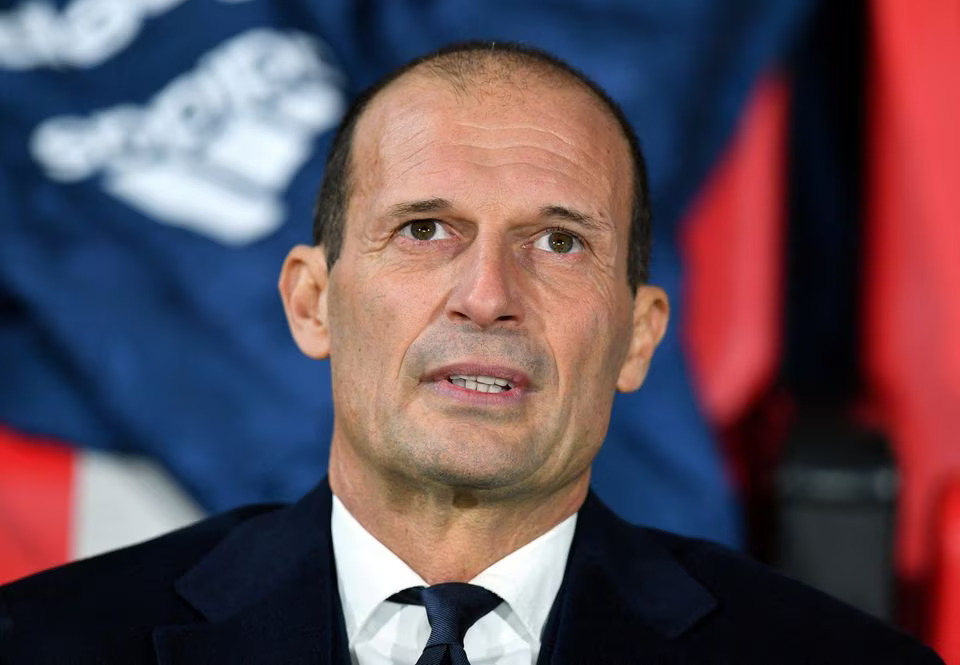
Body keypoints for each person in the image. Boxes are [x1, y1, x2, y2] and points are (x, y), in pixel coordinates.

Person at [0, 41, 942, 665]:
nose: (489, 294)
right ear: (312, 300)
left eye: (559, 242)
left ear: (639, 332)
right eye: (424, 229)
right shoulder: (42, 644)